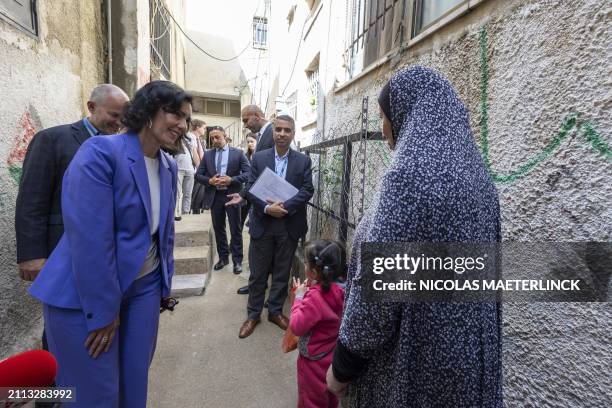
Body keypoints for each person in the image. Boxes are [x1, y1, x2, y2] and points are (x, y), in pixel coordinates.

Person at [325, 66, 503, 407]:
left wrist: (342, 367)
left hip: (416, 370)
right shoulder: (481, 180)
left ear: (407, 112)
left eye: (384, 116)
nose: (383, 128)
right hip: (468, 370)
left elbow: (376, 300)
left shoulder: (408, 177)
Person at [29, 80, 191, 407]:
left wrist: (162, 286)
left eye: (187, 119)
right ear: (147, 111)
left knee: (133, 384)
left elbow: (163, 235)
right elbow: (90, 238)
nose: (183, 125)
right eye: (175, 113)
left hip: (143, 288)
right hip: (84, 293)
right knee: (94, 393)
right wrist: (104, 310)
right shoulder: (101, 152)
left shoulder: (169, 166)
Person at [238, 114, 314, 339]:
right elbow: (250, 188)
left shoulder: (303, 161)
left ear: (293, 134)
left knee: (282, 272)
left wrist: (286, 206)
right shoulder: (259, 158)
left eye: (286, 130)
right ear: (273, 132)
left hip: (289, 225)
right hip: (264, 223)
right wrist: (266, 208)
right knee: (258, 272)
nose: (281, 134)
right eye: (278, 129)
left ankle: (274, 311)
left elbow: (307, 190)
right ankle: (253, 315)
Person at [290, 240, 346, 408]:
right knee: (330, 395)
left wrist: (299, 298)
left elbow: (297, 326)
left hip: (313, 361)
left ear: (313, 272)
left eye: (306, 262)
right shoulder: (344, 289)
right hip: (332, 355)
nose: (305, 265)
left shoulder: (315, 297)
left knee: (311, 398)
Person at [195, 126, 250, 274]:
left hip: (232, 195)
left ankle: (237, 261)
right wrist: (210, 181)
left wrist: (231, 180)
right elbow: (198, 175)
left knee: (235, 229)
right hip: (215, 197)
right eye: (212, 138)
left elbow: (249, 173)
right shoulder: (207, 155)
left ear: (225, 137)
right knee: (219, 228)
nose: (214, 140)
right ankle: (223, 257)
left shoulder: (238, 154)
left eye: (217, 137)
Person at [173, 121, 199, 221]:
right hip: (178, 168)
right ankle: (175, 213)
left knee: (188, 194)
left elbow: (194, 153)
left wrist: (199, 168)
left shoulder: (191, 137)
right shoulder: (175, 134)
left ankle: (186, 214)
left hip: (190, 170)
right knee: (177, 193)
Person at [239, 132, 258, 232]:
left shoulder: (261, 155)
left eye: (252, 141)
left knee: (254, 218)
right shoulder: (245, 156)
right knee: (240, 218)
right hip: (246, 190)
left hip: (257, 191)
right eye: (248, 142)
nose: (250, 144)